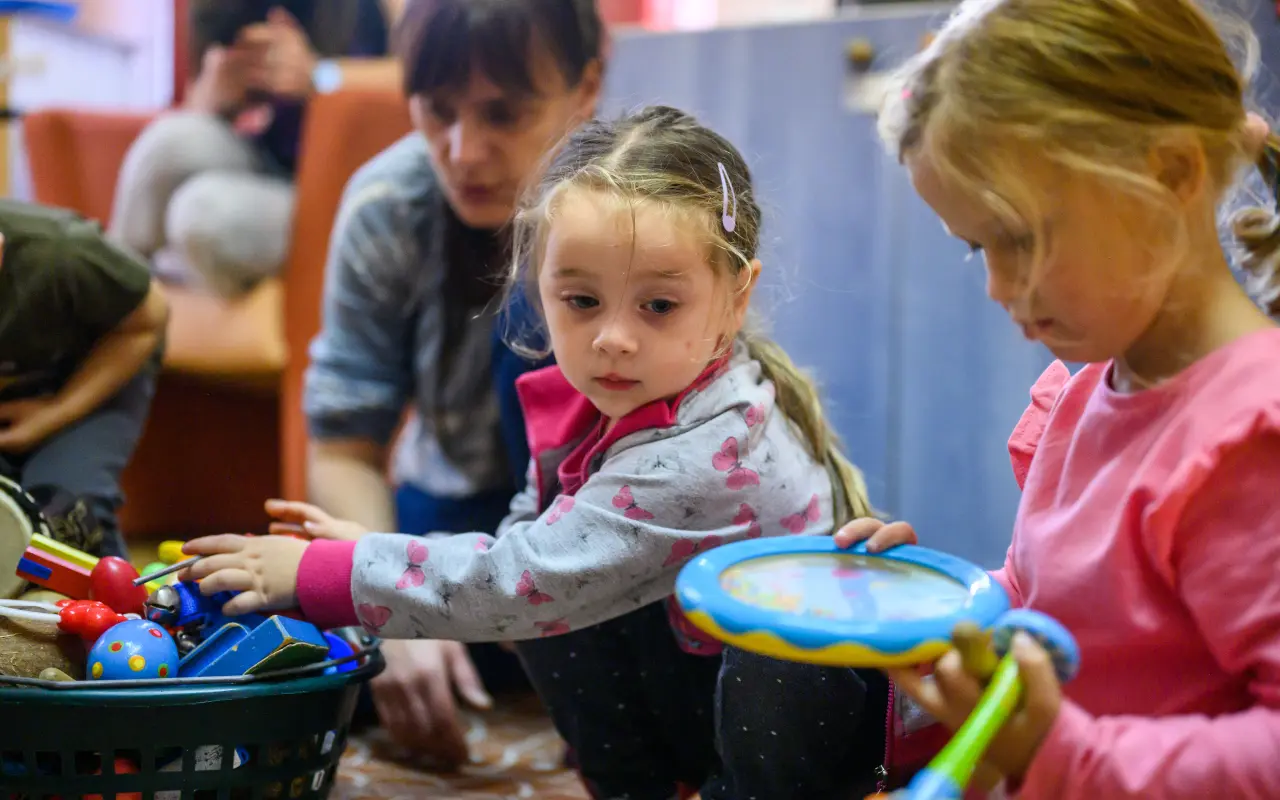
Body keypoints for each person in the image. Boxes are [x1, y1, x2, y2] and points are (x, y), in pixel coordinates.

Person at [182, 104, 900, 799]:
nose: (612, 338)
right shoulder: (614, 391)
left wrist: (330, 573)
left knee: (545, 595)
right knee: (552, 597)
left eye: (658, 306)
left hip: (796, 738)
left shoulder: (713, 453)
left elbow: (519, 581)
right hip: (695, 682)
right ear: (542, 288)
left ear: (736, 299)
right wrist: (371, 553)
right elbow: (529, 549)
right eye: (581, 301)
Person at [836, 1, 1280, 796]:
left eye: (1021, 237)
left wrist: (1062, 752)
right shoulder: (1084, 399)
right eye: (980, 248)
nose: (1001, 288)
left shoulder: (1251, 439)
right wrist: (945, 613)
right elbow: (1057, 617)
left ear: (1171, 173)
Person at [271, 0, 608, 767]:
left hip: (614, 532)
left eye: (504, 113)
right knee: (289, 647)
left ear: (585, 88)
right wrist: (383, 605)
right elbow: (346, 445)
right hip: (448, 523)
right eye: (438, 111)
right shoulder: (389, 206)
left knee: (557, 259)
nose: (464, 150)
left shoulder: (642, 212)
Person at [108, 0, 401, 297]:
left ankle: (171, 277)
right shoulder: (224, 10)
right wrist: (215, 96)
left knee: (201, 212)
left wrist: (319, 76)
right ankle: (107, 310)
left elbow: (419, 74)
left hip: (340, 192)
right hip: (269, 165)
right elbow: (193, 107)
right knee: (164, 143)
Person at [0, 200, 169, 560]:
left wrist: (54, 413)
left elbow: (150, 318)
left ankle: (123, 615)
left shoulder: (59, 253)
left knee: (69, 513)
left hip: (102, 360)